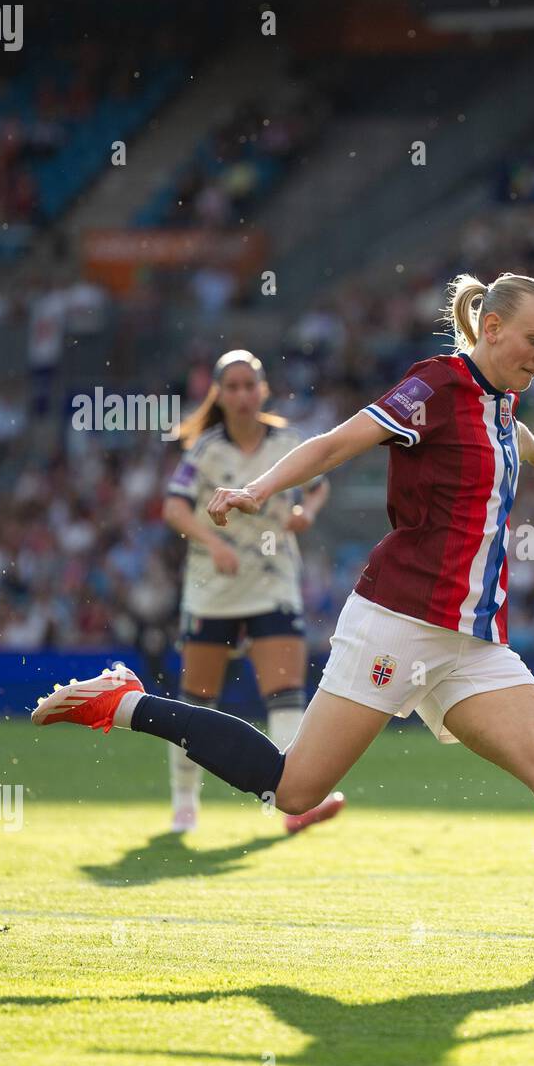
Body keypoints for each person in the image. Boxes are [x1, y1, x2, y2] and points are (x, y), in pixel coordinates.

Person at [32, 273, 534, 967]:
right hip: (400, 620)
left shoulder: (501, 399)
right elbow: (336, 443)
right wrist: (256, 489)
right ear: (493, 328)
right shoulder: (433, 386)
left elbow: (507, 424)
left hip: (473, 639)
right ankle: (125, 702)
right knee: (296, 785)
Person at [161, 349, 339, 834]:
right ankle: (184, 802)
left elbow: (318, 483)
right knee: (197, 700)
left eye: (249, 385)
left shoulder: (288, 441)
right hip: (212, 589)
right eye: (232, 387)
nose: (241, 395)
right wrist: (214, 543)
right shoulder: (204, 450)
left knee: (284, 694)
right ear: (219, 394)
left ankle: (293, 806)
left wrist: (309, 512)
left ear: (263, 390)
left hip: (272, 580)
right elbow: (174, 510)